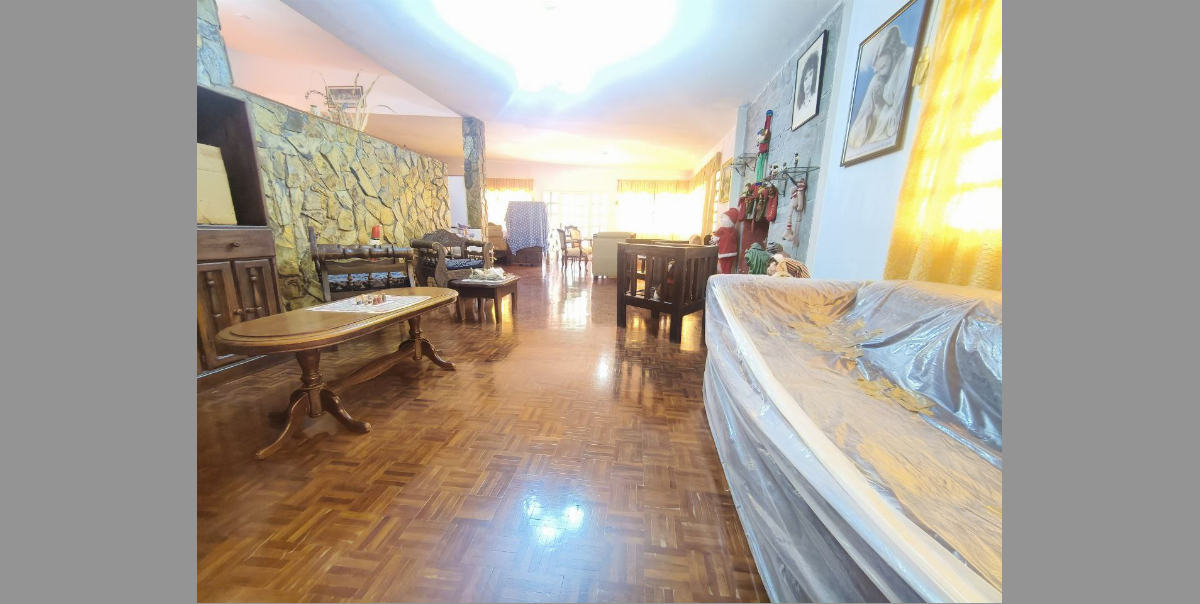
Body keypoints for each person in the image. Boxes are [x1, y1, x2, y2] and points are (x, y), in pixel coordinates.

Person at [848, 25, 913, 150]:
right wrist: (870, 113)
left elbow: (895, 125)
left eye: (883, 67)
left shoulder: (907, 59)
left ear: (893, 52)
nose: (880, 73)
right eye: (878, 70)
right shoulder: (877, 78)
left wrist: (881, 104)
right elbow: (853, 137)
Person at [795, 50, 820, 122]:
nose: (808, 82)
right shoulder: (801, 106)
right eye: (805, 78)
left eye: (810, 74)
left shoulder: (813, 101)